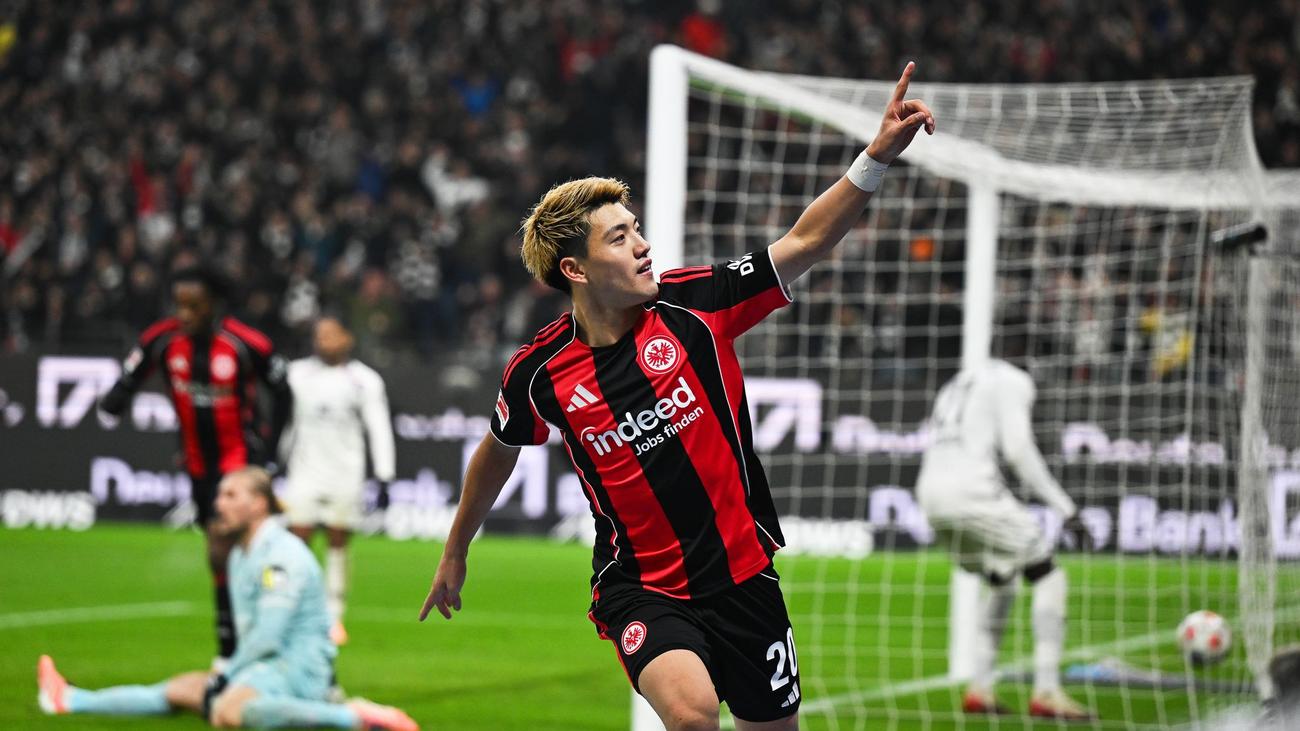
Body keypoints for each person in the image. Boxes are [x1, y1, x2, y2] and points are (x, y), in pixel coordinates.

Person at [418, 64, 934, 731]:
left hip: (745, 576)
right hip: (641, 586)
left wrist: (876, 157)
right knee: (692, 715)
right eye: (619, 238)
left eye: (636, 228)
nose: (643, 246)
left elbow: (804, 241)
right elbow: (498, 450)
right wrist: (456, 546)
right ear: (575, 269)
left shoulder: (695, 305)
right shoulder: (539, 373)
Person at [36, 467, 419, 730]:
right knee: (182, 689)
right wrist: (229, 674)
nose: (219, 503)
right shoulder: (240, 553)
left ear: (259, 504)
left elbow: (268, 637)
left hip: (299, 670)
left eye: (230, 495)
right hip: (267, 666)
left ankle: (351, 717)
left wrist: (228, 674)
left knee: (227, 710)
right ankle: (70, 699)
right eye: (220, 494)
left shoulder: (281, 556)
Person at [98, 265, 294, 664]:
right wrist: (117, 397)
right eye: (180, 305)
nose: (184, 314)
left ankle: (260, 642)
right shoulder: (162, 339)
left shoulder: (244, 342)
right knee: (219, 552)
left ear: (214, 304)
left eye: (194, 306)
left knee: (246, 545)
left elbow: (283, 393)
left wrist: (271, 454)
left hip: (242, 460)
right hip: (199, 464)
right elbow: (124, 384)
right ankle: (231, 648)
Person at [916, 357, 1095, 720]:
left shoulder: (958, 381)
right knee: (1048, 574)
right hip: (972, 493)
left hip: (930, 496)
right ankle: (1047, 692)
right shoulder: (1013, 379)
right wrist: (1067, 509)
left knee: (1003, 580)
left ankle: (980, 689)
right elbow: (1017, 450)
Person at [282, 316, 396, 646]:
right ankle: (296, 613)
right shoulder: (296, 374)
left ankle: (334, 617)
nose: (325, 341)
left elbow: (378, 427)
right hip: (304, 470)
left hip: (346, 472)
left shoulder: (365, 380)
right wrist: (277, 459)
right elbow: (287, 422)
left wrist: (384, 475)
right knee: (297, 541)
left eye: (332, 334)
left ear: (347, 338)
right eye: (320, 335)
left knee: (338, 542)